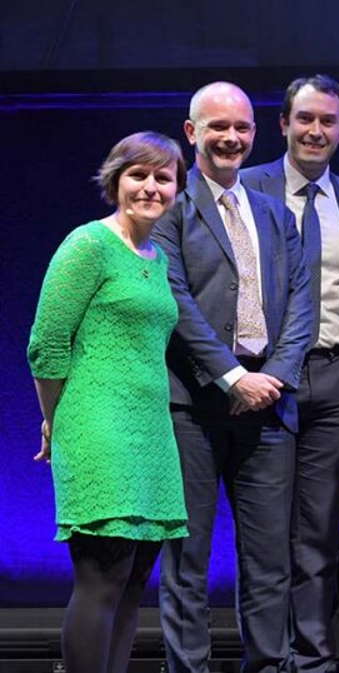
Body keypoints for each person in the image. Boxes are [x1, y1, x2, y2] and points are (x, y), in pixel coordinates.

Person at [153, 81, 315, 673]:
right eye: (217, 127)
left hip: (268, 403)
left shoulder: (274, 212)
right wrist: (228, 377)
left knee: (270, 561)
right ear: (191, 133)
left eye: (241, 128)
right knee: (187, 560)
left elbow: (301, 303)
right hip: (192, 406)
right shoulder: (169, 207)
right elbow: (173, 301)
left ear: (256, 133)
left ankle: (269, 666)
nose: (231, 138)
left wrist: (272, 376)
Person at [28, 132, 188, 673]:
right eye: (138, 175)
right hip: (98, 426)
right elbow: (46, 346)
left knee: (135, 578)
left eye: (162, 178)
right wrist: (55, 422)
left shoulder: (157, 256)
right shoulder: (87, 245)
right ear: (115, 180)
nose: (150, 187)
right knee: (103, 574)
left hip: (151, 433)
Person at [240, 73, 339, 673]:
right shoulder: (245, 189)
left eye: (327, 121)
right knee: (267, 533)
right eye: (305, 119)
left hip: (336, 380)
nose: (315, 130)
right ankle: (267, 659)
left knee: (318, 532)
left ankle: (314, 658)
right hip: (265, 381)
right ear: (284, 124)